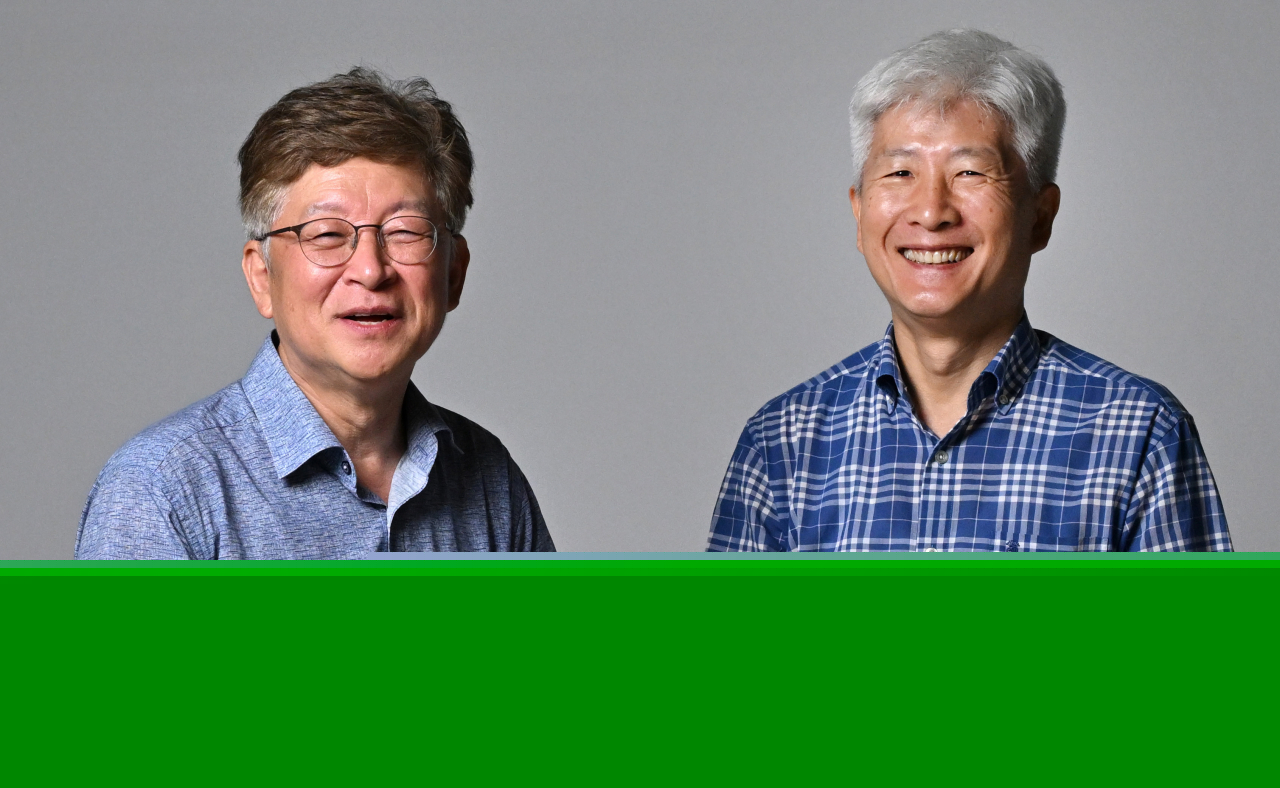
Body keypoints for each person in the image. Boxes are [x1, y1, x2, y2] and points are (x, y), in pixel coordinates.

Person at [707, 29, 1230, 552]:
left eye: (970, 172)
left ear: (1040, 218)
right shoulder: (781, 445)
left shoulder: (1139, 434)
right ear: (859, 212)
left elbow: (1201, 637)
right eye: (900, 171)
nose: (932, 212)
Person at [77, 68, 554, 558]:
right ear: (262, 277)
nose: (371, 270)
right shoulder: (162, 491)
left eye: (406, 231)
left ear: (454, 273)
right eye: (326, 235)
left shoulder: (491, 479)